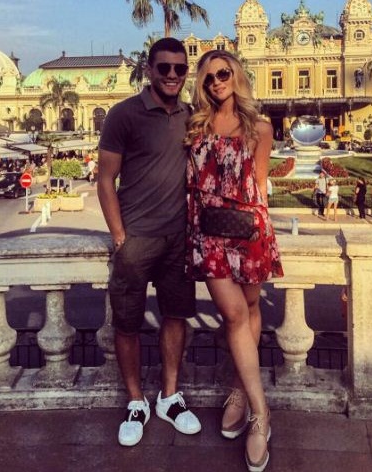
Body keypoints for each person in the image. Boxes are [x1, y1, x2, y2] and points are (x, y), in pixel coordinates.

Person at [97, 37, 201, 448]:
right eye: (164, 68)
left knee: (176, 316)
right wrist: (119, 235)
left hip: (178, 239)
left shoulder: (191, 116)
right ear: (149, 70)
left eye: (180, 68)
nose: (173, 75)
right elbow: (106, 179)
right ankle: (136, 401)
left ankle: (169, 397)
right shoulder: (124, 114)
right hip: (136, 239)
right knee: (127, 323)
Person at [184, 50, 284, 472]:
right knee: (234, 313)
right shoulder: (196, 126)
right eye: (208, 78)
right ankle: (261, 414)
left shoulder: (260, 127)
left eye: (223, 73)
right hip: (208, 231)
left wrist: (262, 234)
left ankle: (239, 391)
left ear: (236, 75)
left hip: (249, 230)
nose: (216, 82)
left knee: (251, 308)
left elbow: (258, 185)